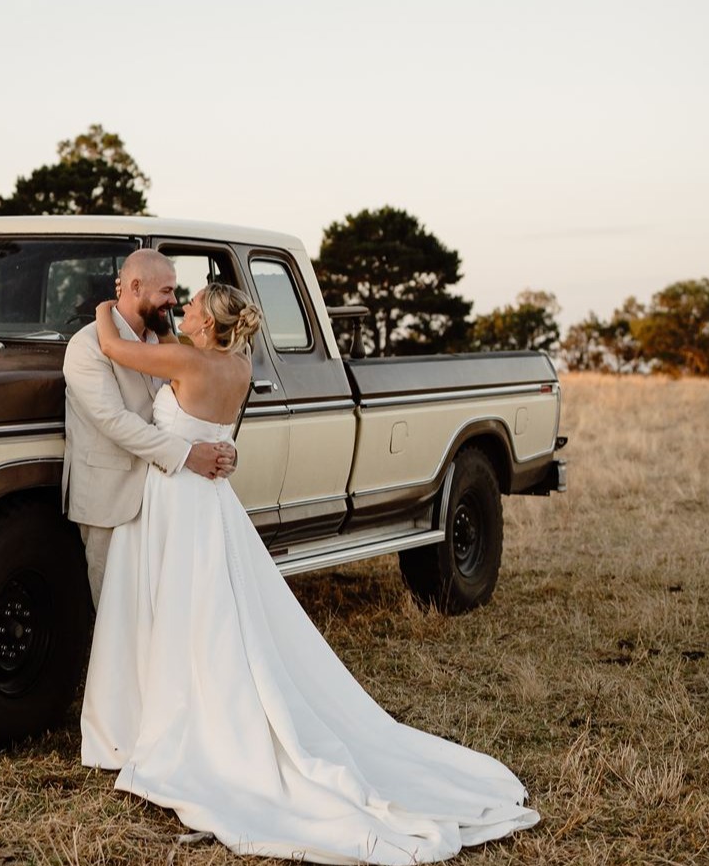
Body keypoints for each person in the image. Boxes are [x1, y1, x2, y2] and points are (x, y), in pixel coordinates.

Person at [81, 282, 540, 864]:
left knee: (182, 611)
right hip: (212, 501)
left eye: (191, 303)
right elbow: (216, 430)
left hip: (178, 498)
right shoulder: (237, 366)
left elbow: (113, 346)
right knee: (217, 612)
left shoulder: (182, 359)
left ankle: (178, 720)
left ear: (207, 323)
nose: (182, 307)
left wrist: (111, 298)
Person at [62, 249, 236, 608]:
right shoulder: (86, 345)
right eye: (167, 291)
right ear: (136, 286)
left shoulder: (166, 343)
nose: (174, 301)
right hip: (112, 497)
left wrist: (223, 447)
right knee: (116, 610)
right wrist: (189, 455)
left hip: (165, 498)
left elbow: (194, 408)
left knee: (162, 606)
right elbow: (113, 420)